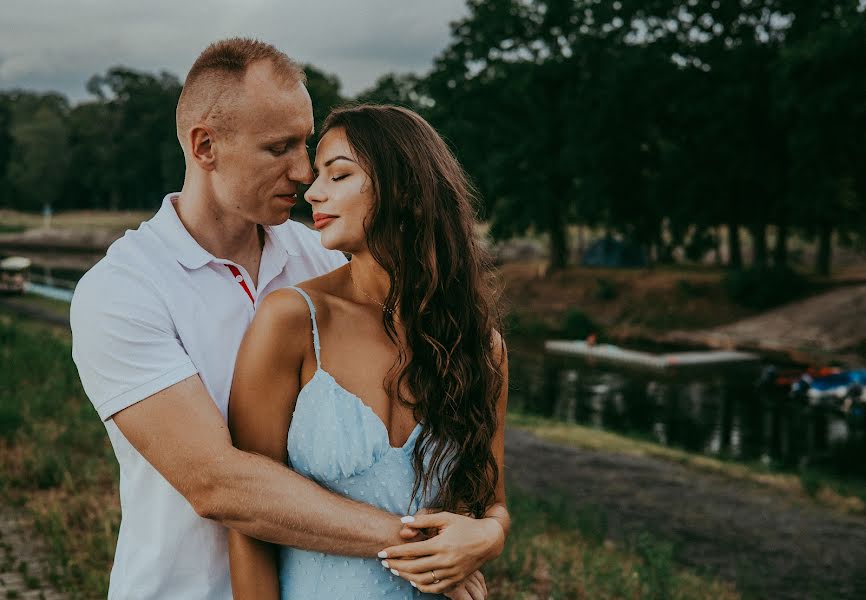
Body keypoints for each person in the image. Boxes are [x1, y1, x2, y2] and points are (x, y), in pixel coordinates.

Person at [70, 38, 501, 600]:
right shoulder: (122, 289)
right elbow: (219, 484)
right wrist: (426, 545)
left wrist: (485, 531)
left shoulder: (324, 257)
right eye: (279, 148)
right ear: (205, 146)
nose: (302, 172)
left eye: (307, 144)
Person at [227, 104, 510, 599]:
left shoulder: (480, 346)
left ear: (404, 190)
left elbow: (492, 504)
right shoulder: (292, 320)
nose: (312, 192)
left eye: (338, 175)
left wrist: (489, 536)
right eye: (318, 177)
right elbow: (248, 521)